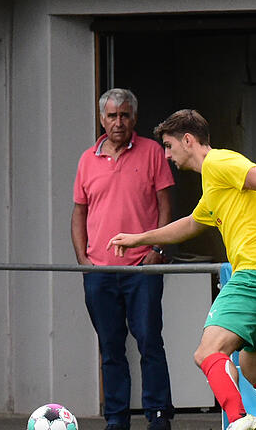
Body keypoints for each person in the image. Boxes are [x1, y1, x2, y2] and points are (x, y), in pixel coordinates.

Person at [107, 109, 256, 430]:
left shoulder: (220, 162)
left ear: (188, 140)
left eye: (169, 145)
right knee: (254, 368)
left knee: (208, 351)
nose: (167, 155)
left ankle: (237, 420)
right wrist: (140, 237)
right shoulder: (214, 183)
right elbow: (191, 224)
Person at [71, 88, 175, 430]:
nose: (119, 122)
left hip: (142, 269)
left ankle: (158, 416)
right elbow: (79, 213)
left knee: (149, 341)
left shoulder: (152, 152)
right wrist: (83, 260)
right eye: (112, 115)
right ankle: (116, 419)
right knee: (111, 347)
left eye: (125, 115)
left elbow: (165, 206)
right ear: (102, 119)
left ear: (134, 117)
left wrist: (158, 250)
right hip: (100, 271)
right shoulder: (88, 158)